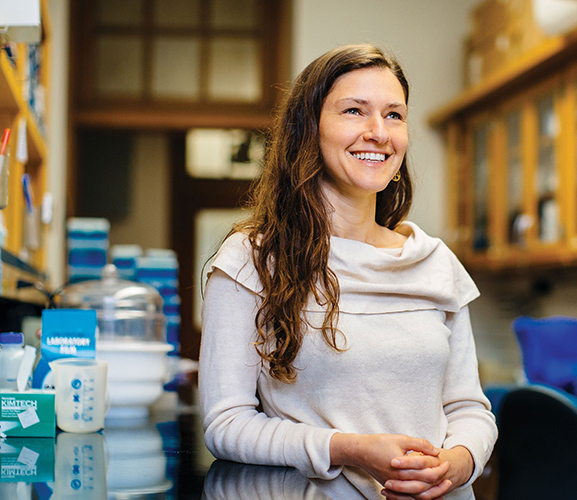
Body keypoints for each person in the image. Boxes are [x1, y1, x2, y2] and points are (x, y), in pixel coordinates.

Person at [199, 43, 497, 500]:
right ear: (308, 130)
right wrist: (350, 449)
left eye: (394, 115)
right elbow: (227, 424)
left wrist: (456, 465)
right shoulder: (251, 260)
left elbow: (468, 408)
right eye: (355, 111)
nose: (378, 132)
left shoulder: (434, 261)